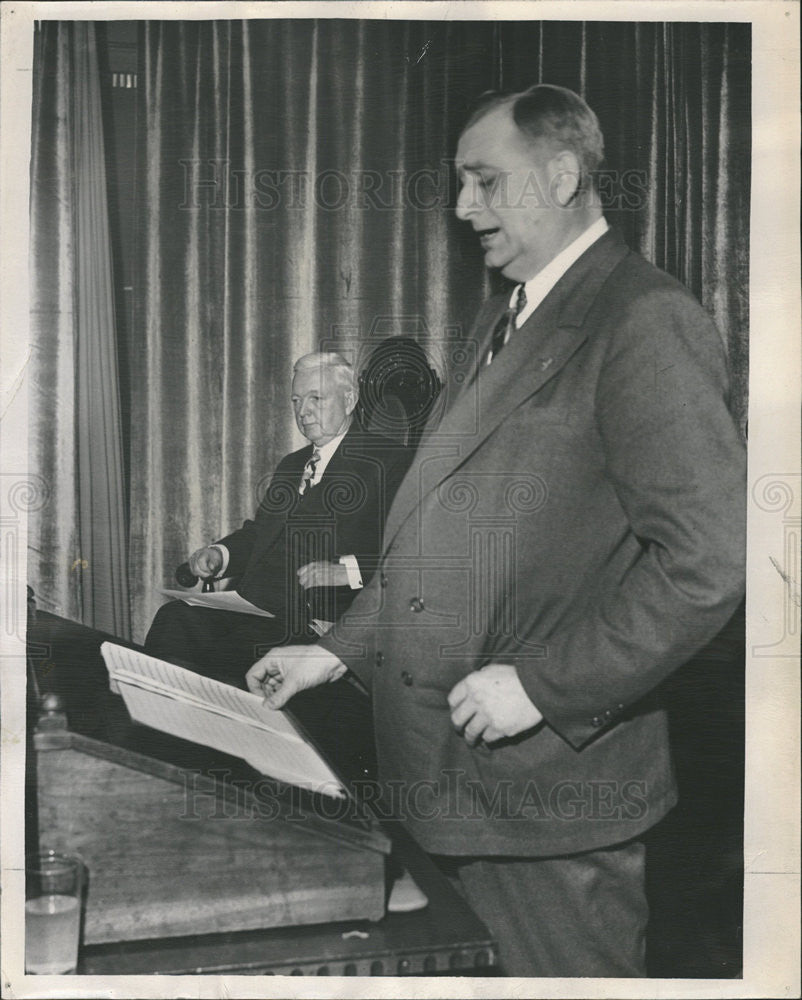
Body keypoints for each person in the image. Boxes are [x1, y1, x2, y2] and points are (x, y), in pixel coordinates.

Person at [244, 85, 747, 976]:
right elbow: (441, 532)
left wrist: (546, 686)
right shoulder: (507, 312)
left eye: (483, 181)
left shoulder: (644, 320)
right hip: (449, 777)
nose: (461, 206)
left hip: (546, 793)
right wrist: (339, 650)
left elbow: (707, 563)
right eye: (459, 184)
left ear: (560, 177)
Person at [145, 351, 411, 771]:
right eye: (295, 401)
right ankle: (166, 763)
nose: (302, 412)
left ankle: (203, 770)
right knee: (176, 619)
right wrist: (222, 553)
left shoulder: (389, 461)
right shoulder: (291, 467)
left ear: (350, 398)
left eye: (315, 399)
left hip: (313, 623)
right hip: (254, 606)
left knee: (213, 654)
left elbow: (412, 548)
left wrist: (349, 570)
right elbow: (258, 534)